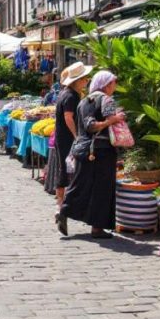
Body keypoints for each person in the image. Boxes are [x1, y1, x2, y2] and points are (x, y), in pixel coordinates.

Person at [58, 70, 125, 239]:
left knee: (81, 185)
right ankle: (97, 227)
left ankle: (64, 211)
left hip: (83, 149)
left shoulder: (83, 101)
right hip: (101, 150)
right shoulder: (106, 100)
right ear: (106, 84)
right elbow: (91, 126)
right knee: (102, 189)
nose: (114, 87)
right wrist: (114, 119)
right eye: (113, 83)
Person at [47, 63, 92, 225]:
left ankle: (60, 206)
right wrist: (77, 136)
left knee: (65, 170)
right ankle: (62, 208)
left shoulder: (66, 94)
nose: (86, 81)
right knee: (68, 171)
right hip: (67, 139)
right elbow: (68, 117)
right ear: (78, 81)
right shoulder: (71, 96)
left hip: (62, 137)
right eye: (85, 79)